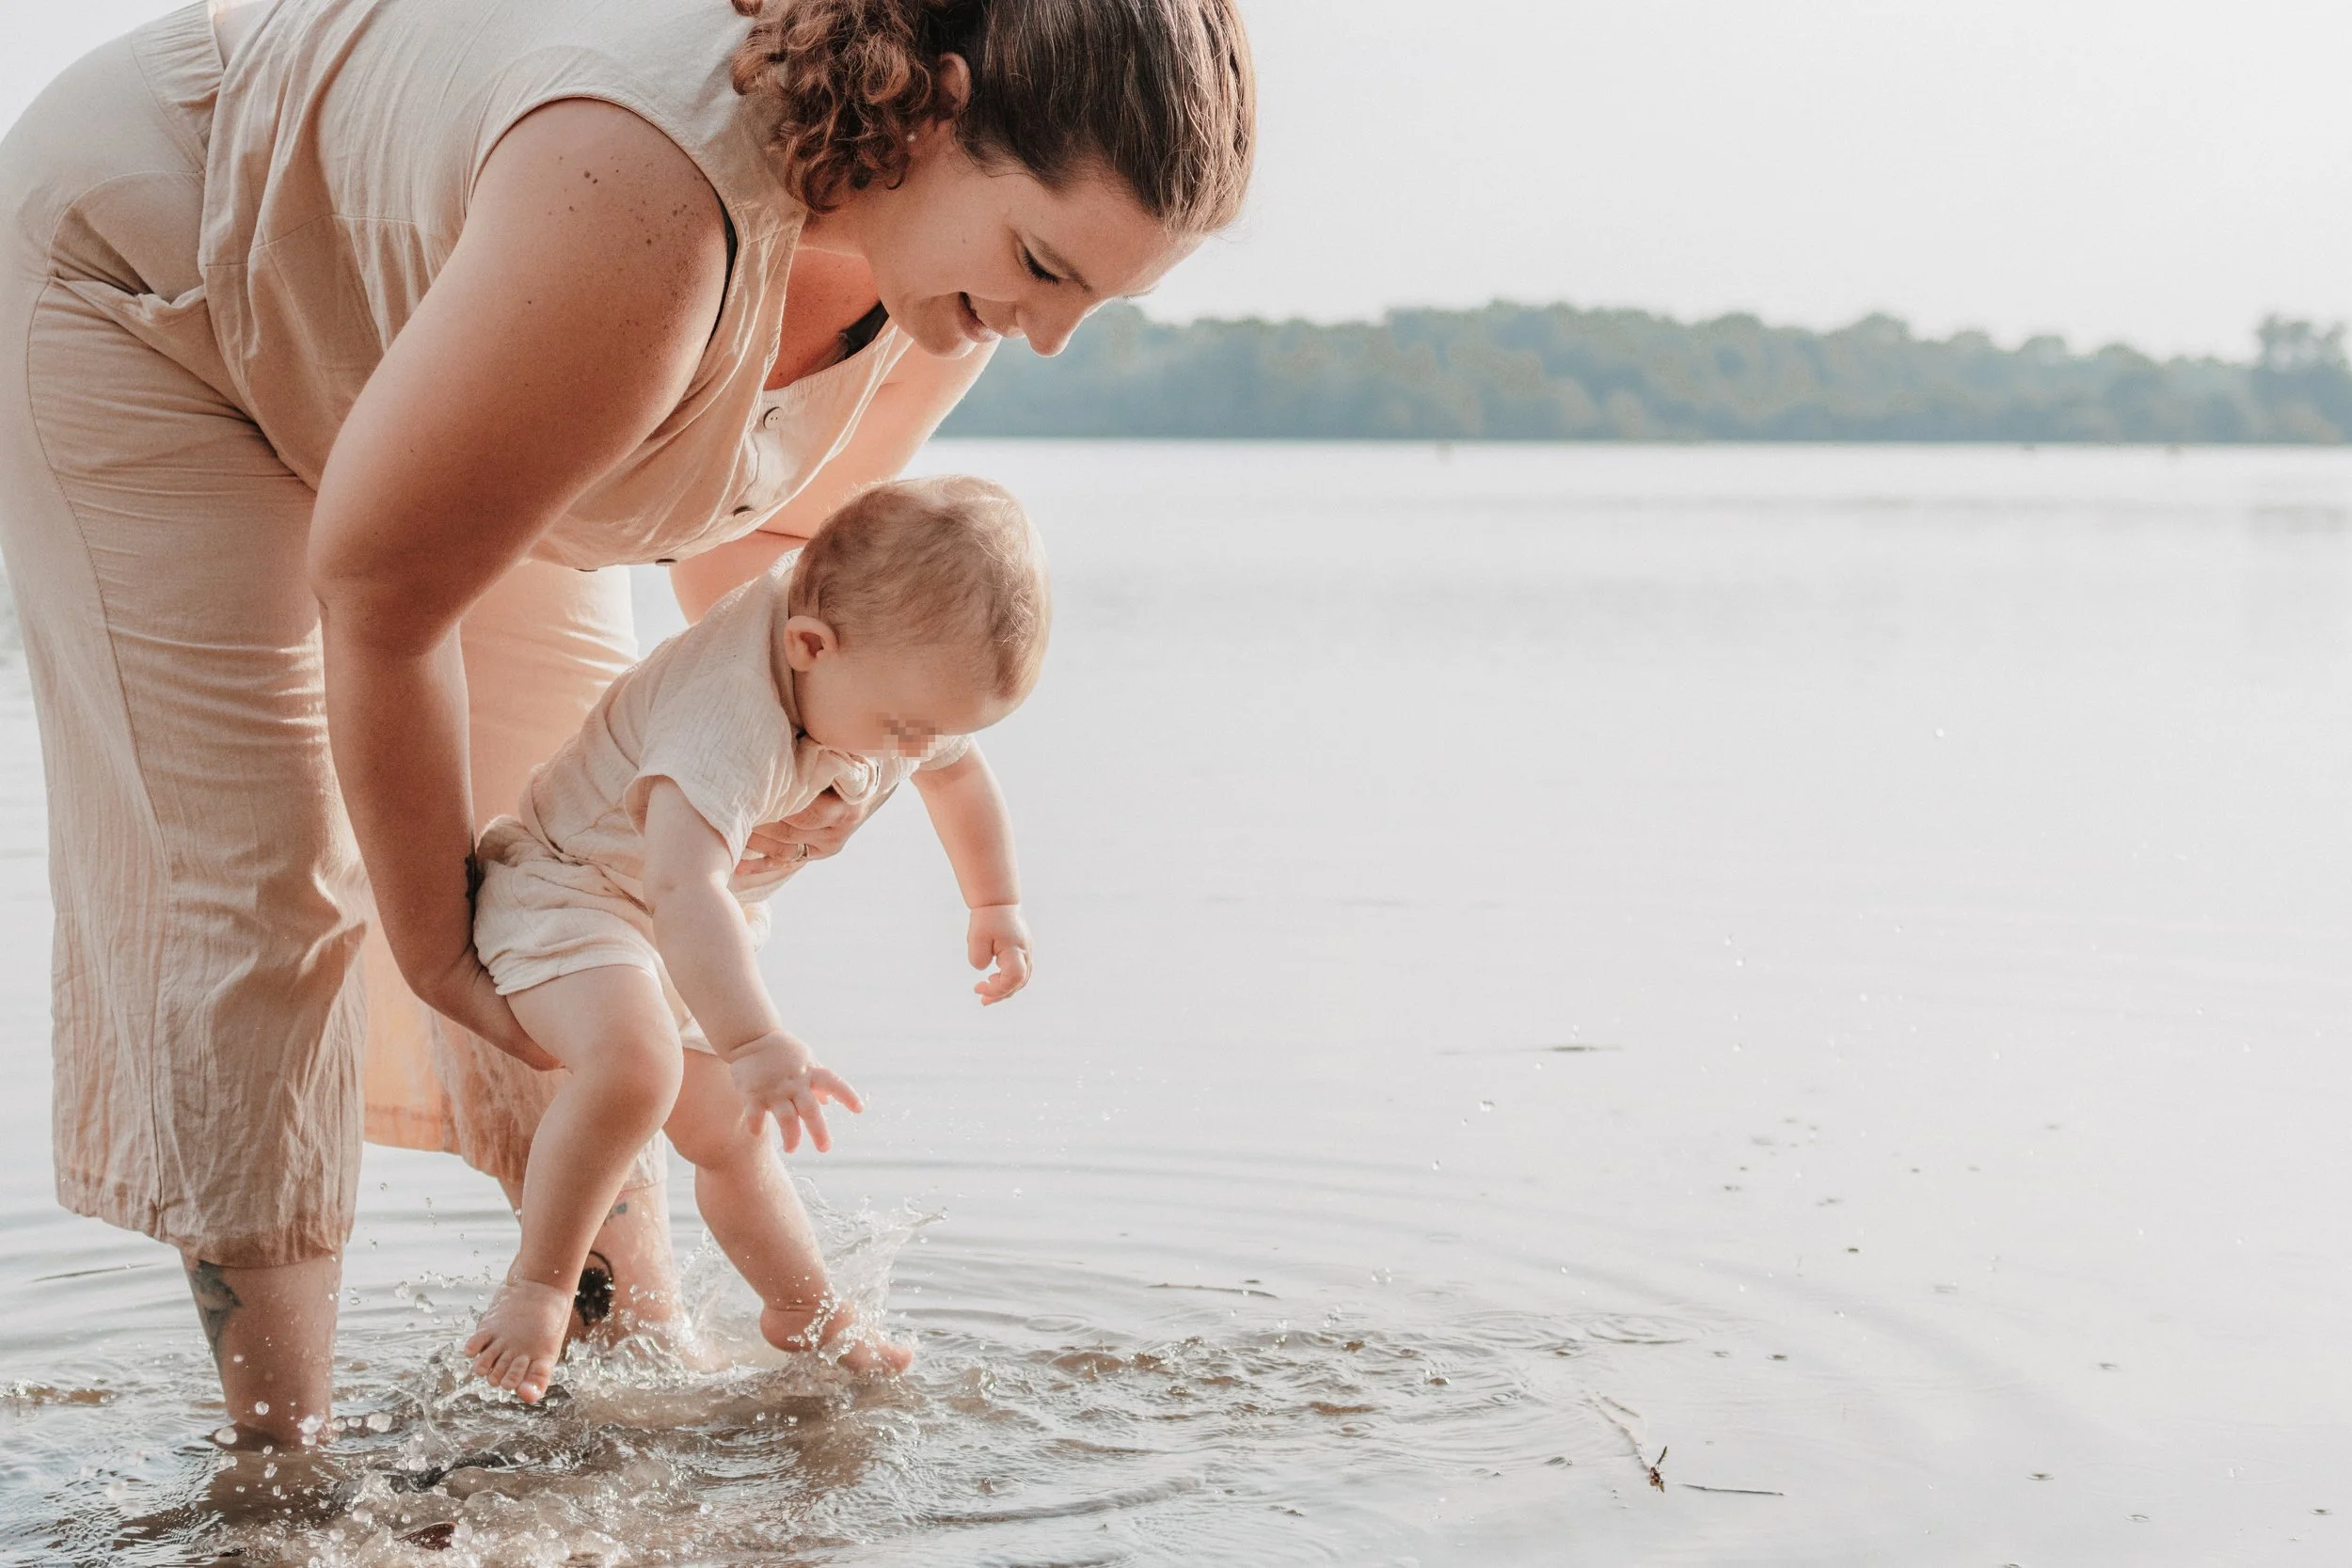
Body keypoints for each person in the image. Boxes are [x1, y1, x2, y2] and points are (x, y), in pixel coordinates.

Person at [0, 0, 1252, 1450]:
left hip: (448, 348)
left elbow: (757, 565)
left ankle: (624, 1370)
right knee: (266, 886)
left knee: (596, 890)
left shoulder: (946, 292)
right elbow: (385, 596)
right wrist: (435, 947)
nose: (1045, 336)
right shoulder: (650, 201)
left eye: (1094, 299)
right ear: (931, 105)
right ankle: (279, 1476)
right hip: (163, 285)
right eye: (1042, 267)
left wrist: (865, 744)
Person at [464, 475, 1046, 1402]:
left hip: (679, 921)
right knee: (637, 1064)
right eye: (901, 729)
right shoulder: (724, 713)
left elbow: (958, 771)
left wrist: (995, 900)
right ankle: (539, 1284)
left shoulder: (893, 668)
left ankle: (804, 1309)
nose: (909, 751)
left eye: (929, 732)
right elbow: (681, 881)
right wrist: (754, 1040)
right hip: (571, 887)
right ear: (809, 646)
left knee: (735, 1128)